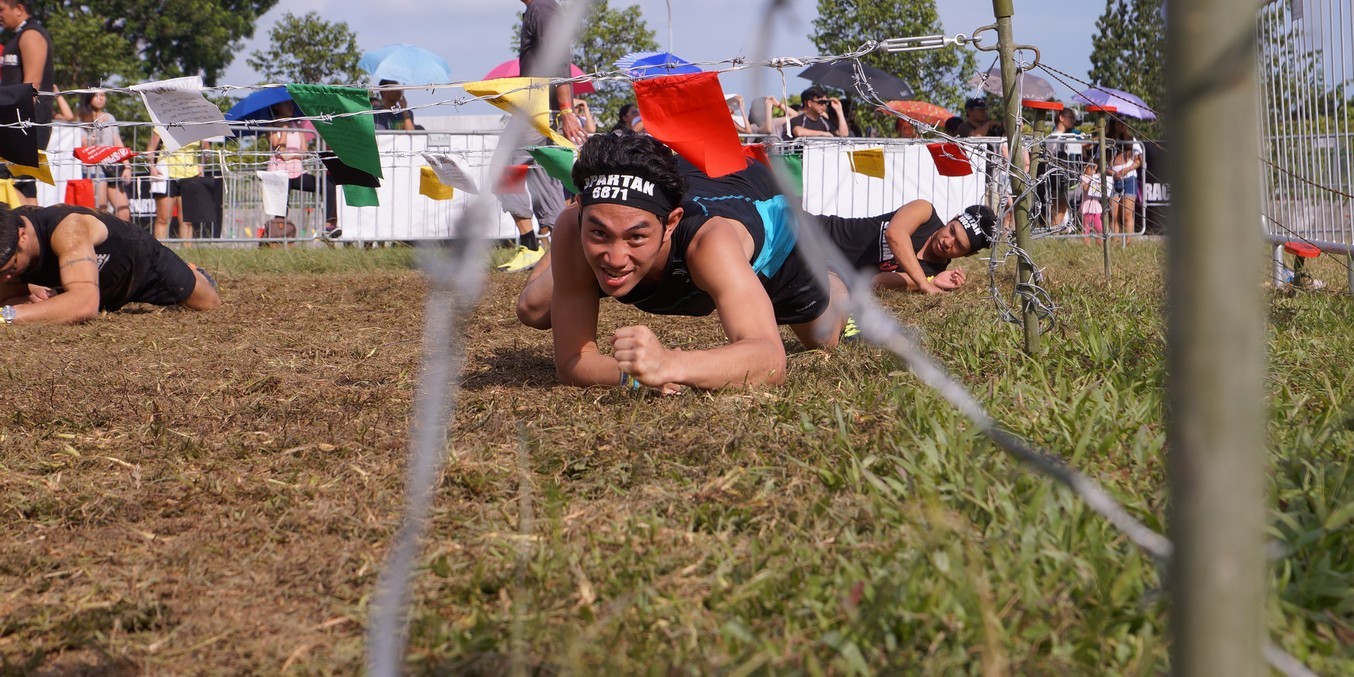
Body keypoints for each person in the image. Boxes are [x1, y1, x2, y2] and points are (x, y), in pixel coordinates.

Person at [515, 132, 860, 392]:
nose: (616, 258)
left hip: (764, 209)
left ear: (671, 223)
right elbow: (573, 363)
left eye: (636, 236)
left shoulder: (709, 242)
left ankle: (832, 275)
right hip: (682, 183)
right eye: (599, 233)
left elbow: (770, 361)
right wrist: (635, 378)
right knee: (532, 308)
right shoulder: (571, 226)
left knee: (824, 339)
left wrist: (671, 364)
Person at [0, 204, 221, 325]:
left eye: (10, 268)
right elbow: (8, 299)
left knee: (209, 303)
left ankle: (193, 271)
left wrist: (8, 316)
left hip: (141, 265)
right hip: (88, 283)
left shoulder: (69, 230)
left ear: (22, 237)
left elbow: (84, 306)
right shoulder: (7, 240)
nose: (6, 278)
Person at [496, 0, 588, 273]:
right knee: (542, 177)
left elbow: (558, 58)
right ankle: (559, 250)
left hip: (536, 107)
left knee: (503, 170)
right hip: (541, 107)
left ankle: (530, 246)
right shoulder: (542, 9)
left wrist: (567, 109)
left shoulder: (541, 8)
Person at [818, 200, 996, 294]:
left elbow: (875, 282)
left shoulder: (932, 271)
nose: (948, 242)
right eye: (952, 231)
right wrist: (923, 283)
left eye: (959, 245)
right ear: (953, 218)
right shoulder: (925, 212)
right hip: (821, 233)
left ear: (969, 254)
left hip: (827, 273)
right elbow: (895, 234)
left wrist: (932, 282)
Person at [0, 0, 55, 205]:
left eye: (1, 10)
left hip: (24, 124)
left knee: (16, 181)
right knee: (24, 183)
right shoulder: (17, 36)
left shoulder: (31, 34)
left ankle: (17, 233)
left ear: (19, 9)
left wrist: (16, 126)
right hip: (16, 123)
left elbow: (33, 84)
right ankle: (29, 234)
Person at [266, 100, 337, 235]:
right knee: (281, 207)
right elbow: (277, 147)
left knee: (327, 186)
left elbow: (304, 150)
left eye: (291, 104)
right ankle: (279, 234)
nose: (290, 107)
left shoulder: (297, 126)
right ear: (277, 107)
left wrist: (290, 156)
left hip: (297, 171)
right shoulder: (271, 126)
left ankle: (329, 224)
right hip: (279, 172)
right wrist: (284, 130)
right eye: (286, 104)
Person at [76, 90, 132, 221]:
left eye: (103, 95)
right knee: (101, 210)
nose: (101, 98)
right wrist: (96, 127)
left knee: (123, 211)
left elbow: (117, 141)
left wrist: (127, 166)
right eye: (96, 95)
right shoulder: (81, 119)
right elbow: (87, 146)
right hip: (93, 168)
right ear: (89, 98)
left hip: (112, 166)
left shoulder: (110, 117)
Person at [1107, 118, 1144, 242]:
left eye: (1124, 122)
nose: (1122, 124)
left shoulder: (1131, 140)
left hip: (1129, 179)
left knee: (1127, 214)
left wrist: (1126, 170)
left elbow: (1139, 161)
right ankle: (1114, 243)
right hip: (1112, 180)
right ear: (1113, 124)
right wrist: (1112, 172)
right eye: (1119, 122)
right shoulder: (1107, 140)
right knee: (1113, 214)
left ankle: (1128, 243)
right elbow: (1100, 163)